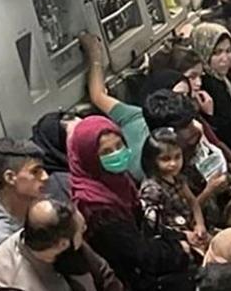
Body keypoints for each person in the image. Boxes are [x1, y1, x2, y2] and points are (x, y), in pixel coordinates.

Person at [67, 115, 194, 291]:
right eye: (106, 152)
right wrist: (179, 250)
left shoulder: (120, 180)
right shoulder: (96, 206)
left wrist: (178, 237)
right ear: (89, 158)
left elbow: (142, 223)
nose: (116, 153)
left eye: (119, 146)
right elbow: (136, 254)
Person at [0, 198, 124, 291]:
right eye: (82, 229)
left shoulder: (65, 241)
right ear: (62, 244)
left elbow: (105, 275)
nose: (85, 231)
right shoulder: (12, 283)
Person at [0, 138, 50, 250]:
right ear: (10, 178)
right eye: (35, 172)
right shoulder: (1, 236)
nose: (45, 177)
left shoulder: (36, 203)